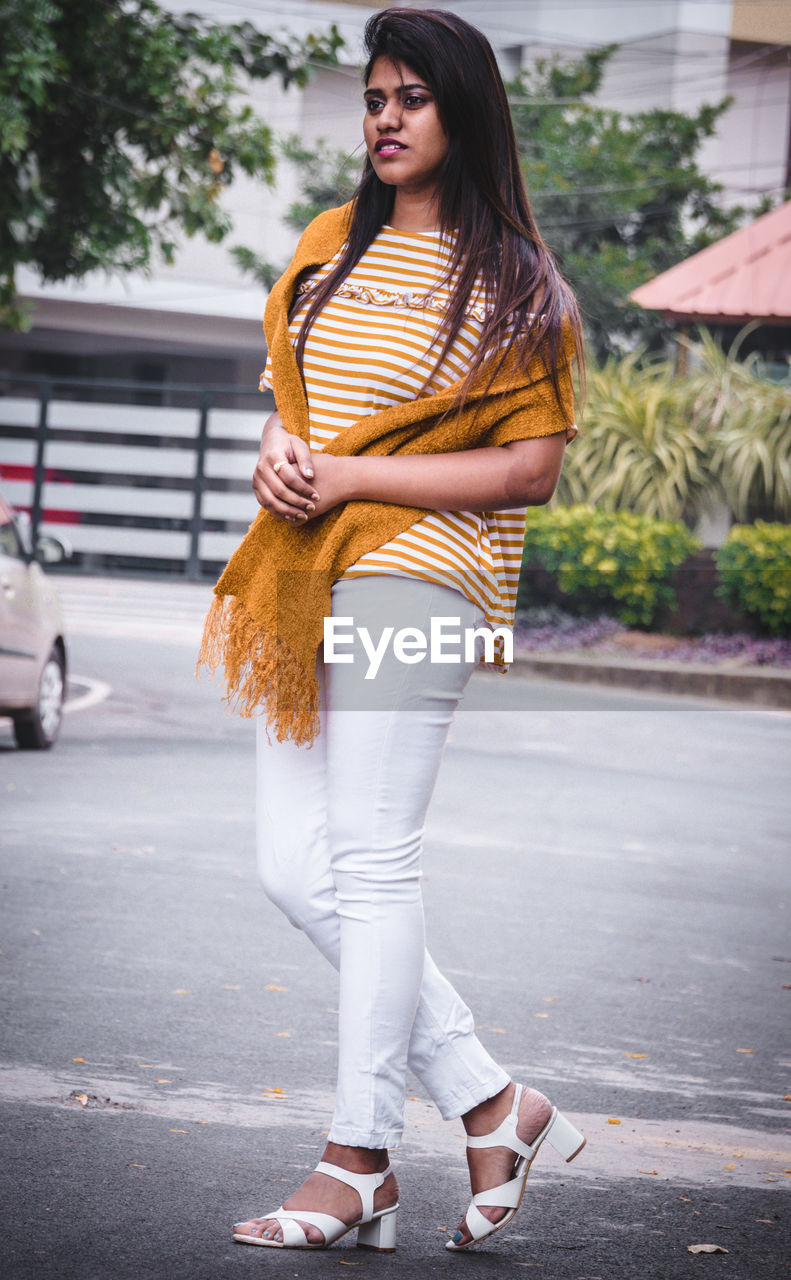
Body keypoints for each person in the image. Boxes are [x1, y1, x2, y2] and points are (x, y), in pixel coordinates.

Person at [201, 5, 586, 1255]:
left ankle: (358, 1153)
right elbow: (299, 410)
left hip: (422, 575)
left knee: (368, 861)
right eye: (373, 97)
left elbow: (527, 468)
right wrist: (281, 461)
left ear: (461, 112)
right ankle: (488, 1097)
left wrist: (356, 481)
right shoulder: (328, 247)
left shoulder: (512, 281)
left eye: (410, 97)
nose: (383, 116)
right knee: (289, 866)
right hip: (305, 576)